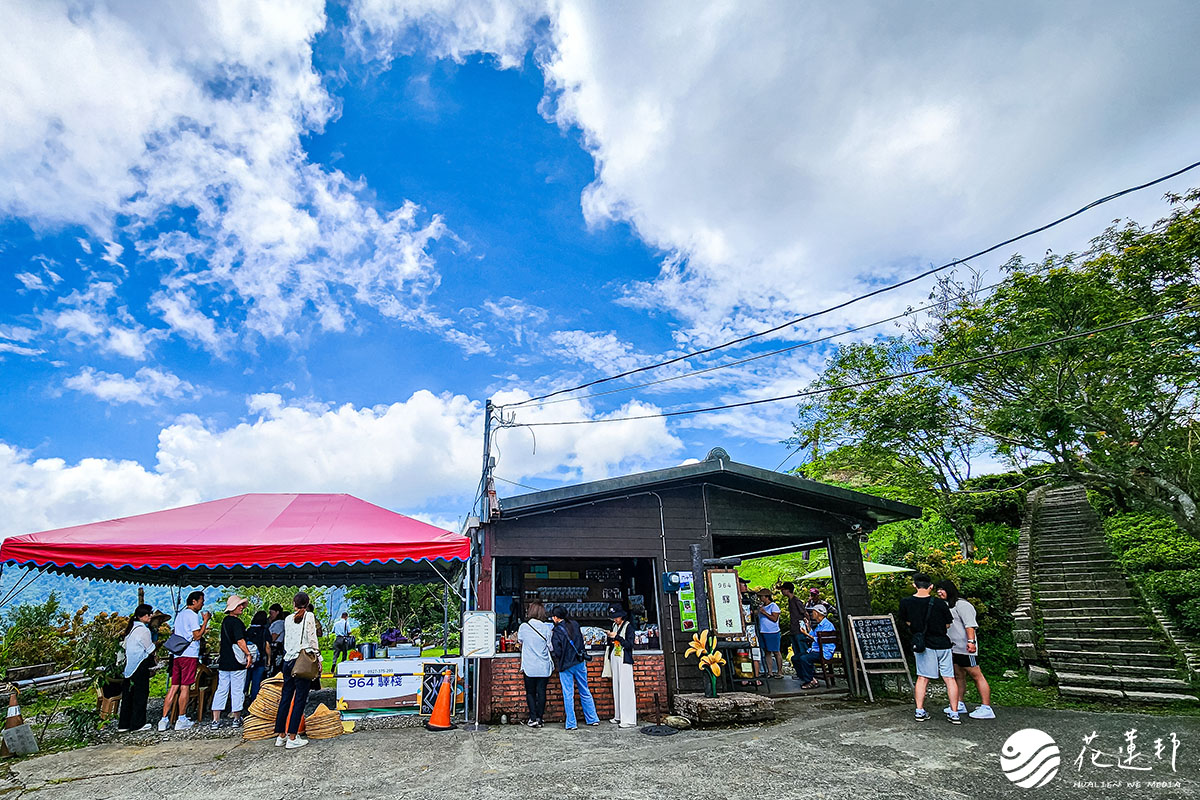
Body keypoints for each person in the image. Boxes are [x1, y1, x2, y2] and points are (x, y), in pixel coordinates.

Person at [898, 573, 960, 724]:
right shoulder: (939, 603)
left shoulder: (906, 602)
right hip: (943, 644)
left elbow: (906, 622)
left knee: (922, 678)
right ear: (931, 587)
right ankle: (954, 712)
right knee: (950, 678)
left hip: (923, 645)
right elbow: (947, 624)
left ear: (914, 585)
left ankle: (919, 710)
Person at [936, 580, 996, 720]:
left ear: (950, 590)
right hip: (953, 647)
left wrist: (971, 642)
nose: (939, 592)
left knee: (976, 674)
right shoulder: (945, 606)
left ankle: (986, 706)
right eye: (938, 589)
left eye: (942, 589)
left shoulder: (963, 605)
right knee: (958, 675)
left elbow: (970, 625)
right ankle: (959, 702)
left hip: (966, 647)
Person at [158, 590, 211, 731]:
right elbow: (197, 635)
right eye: (201, 600)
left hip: (177, 655)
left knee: (174, 686)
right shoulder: (192, 616)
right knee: (185, 686)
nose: (202, 603)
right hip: (189, 654)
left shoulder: (180, 615)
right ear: (194, 601)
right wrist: (205, 621)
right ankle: (181, 718)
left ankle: (163, 720)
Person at [274, 592, 321, 749]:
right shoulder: (309, 617)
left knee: (286, 697)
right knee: (300, 698)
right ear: (307, 604)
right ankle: (293, 736)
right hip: (301, 662)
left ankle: (280, 735)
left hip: (288, 661)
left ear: (294, 604)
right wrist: (319, 658)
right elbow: (312, 639)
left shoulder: (287, 619)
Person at [550, 605, 600, 730]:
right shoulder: (574, 624)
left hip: (566, 665)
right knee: (584, 690)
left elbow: (558, 651)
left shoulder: (556, 631)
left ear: (556, 617)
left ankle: (571, 723)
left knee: (568, 694)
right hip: (579, 662)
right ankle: (592, 718)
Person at [211, 595, 254, 729]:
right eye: (239, 605)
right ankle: (236, 718)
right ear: (233, 608)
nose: (241, 607)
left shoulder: (225, 622)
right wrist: (248, 654)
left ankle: (215, 719)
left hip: (224, 661)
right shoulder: (237, 623)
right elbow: (240, 640)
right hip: (237, 662)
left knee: (221, 689)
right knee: (237, 689)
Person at [117, 604, 157, 732]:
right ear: (143, 616)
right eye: (149, 614)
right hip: (140, 664)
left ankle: (124, 724)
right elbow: (150, 648)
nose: (150, 616)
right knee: (140, 695)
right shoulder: (144, 630)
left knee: (128, 696)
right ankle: (138, 724)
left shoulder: (131, 630)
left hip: (129, 666)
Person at [517, 601, 554, 728]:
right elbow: (550, 646)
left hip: (529, 666)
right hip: (543, 665)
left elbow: (520, 641)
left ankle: (533, 718)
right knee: (542, 692)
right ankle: (540, 718)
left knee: (530, 692)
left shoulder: (524, 627)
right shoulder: (547, 628)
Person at [605, 605, 638, 728]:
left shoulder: (628, 627)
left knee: (626, 688)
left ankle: (628, 718)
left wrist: (617, 637)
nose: (615, 620)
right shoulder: (614, 626)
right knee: (617, 687)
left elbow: (629, 644)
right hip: (615, 655)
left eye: (616, 617)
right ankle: (618, 715)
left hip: (624, 658)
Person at [795, 603, 836, 689]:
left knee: (804, 658)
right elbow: (814, 635)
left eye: (813, 612)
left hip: (823, 651)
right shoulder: (819, 625)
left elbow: (820, 639)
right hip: (816, 650)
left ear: (817, 613)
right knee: (795, 658)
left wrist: (806, 634)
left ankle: (809, 681)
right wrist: (808, 627)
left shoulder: (827, 625)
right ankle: (811, 678)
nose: (812, 614)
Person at [754, 588, 784, 678]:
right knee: (767, 652)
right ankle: (770, 671)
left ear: (766, 597)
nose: (760, 598)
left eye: (761, 596)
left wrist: (764, 613)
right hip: (763, 631)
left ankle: (780, 671)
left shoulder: (773, 606)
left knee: (776, 651)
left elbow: (774, 619)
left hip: (772, 631)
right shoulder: (762, 606)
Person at [780, 582, 808, 677]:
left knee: (803, 653)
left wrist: (806, 627)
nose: (781, 591)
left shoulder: (796, 601)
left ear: (788, 590)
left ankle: (807, 674)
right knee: (796, 654)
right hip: (793, 630)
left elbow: (805, 614)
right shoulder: (790, 601)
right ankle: (801, 673)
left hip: (799, 631)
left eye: (783, 589)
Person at [244, 610, 271, 702]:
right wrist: (269, 660)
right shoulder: (264, 631)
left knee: (245, 681)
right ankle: (254, 703)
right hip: (260, 660)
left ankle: (240, 702)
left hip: (248, 659)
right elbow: (267, 646)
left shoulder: (248, 630)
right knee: (256, 683)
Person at [267, 603, 286, 675]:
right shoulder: (275, 623)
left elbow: (273, 637)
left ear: (277, 612)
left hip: (276, 648)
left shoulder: (279, 623)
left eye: (271, 613)